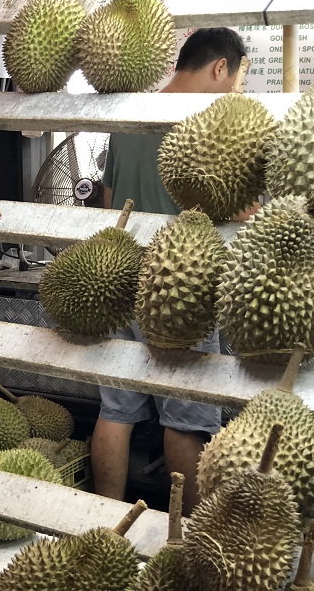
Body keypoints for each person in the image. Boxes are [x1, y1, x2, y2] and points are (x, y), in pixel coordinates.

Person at [92, 28, 247, 516]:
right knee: (185, 418)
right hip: (186, 279)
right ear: (220, 67)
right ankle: (190, 538)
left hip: (123, 271)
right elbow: (237, 210)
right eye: (238, 80)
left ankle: (101, 523)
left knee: (115, 412)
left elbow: (110, 204)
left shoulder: (129, 118)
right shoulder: (212, 127)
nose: (236, 93)